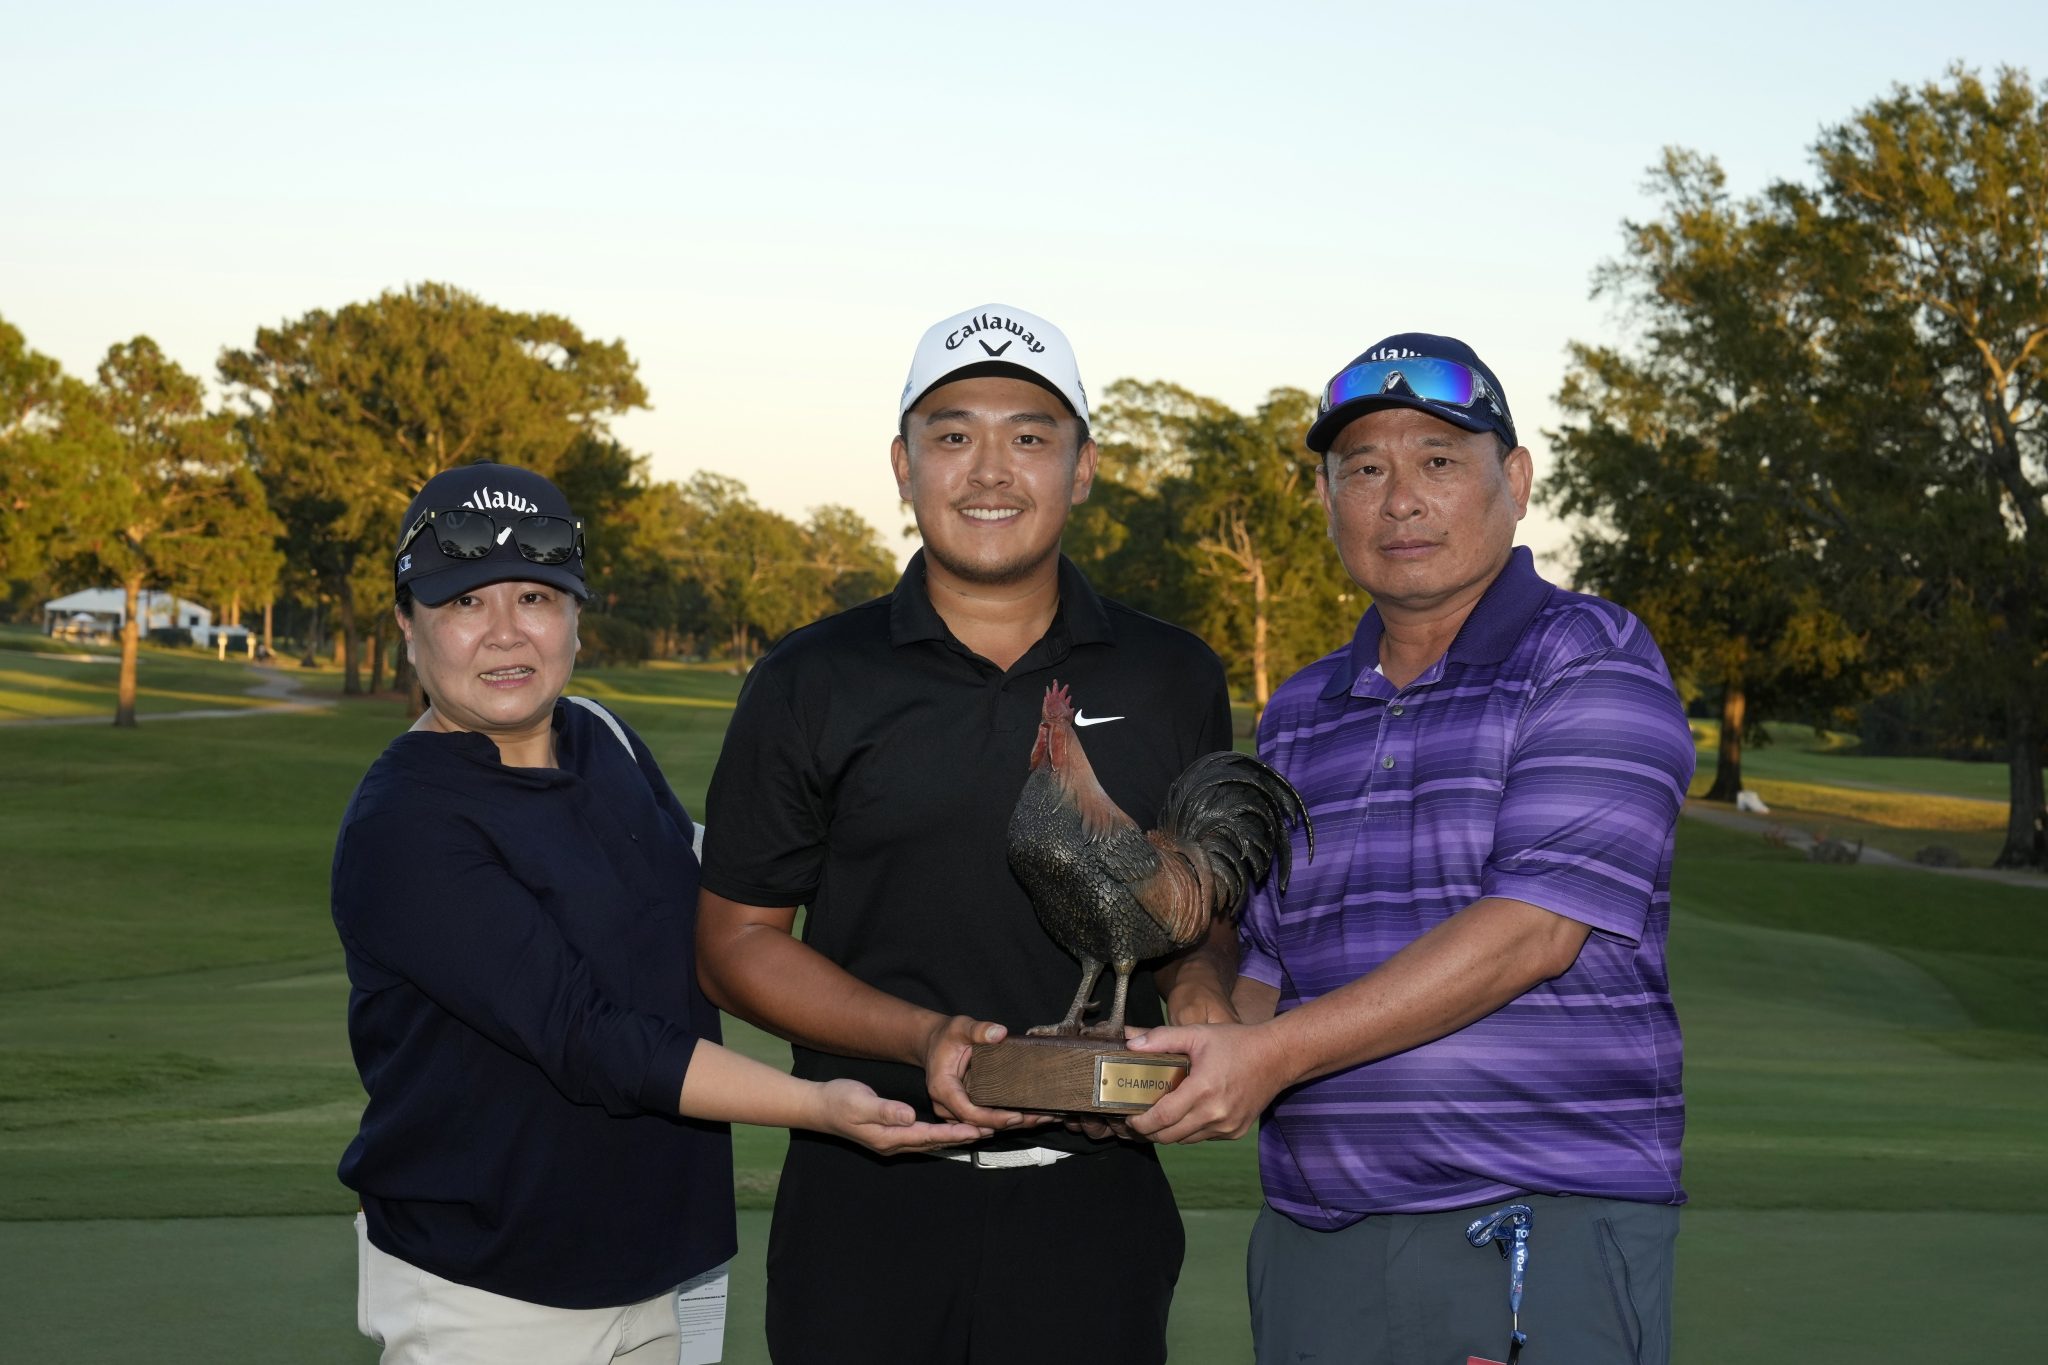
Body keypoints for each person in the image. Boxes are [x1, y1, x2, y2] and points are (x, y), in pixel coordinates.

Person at [1127, 334, 1694, 1365]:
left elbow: (1531, 933)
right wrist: (1195, 1030)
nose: (1399, 500)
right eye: (1364, 469)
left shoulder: (1589, 657)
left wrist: (1265, 1058)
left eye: (1438, 460)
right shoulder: (1298, 713)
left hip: (1534, 1220)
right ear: (1326, 497)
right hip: (1314, 1237)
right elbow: (1259, 961)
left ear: (1512, 481)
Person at [333, 461, 977, 1365]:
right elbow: (589, 1037)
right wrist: (816, 1106)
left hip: (665, 1261)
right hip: (493, 1287)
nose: (507, 633)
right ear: (407, 623)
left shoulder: (602, 736)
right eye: (465, 604)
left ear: (576, 612)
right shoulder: (405, 824)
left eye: (535, 596)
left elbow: (717, 885)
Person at [695, 304, 1235, 1365]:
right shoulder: (810, 678)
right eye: (952, 435)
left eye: (1029, 436)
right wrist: (923, 1039)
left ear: (1081, 468)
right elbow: (734, 943)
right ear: (902, 465)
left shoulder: (1171, 673)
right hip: (865, 1204)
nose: (990, 468)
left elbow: (1198, 911)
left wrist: (1206, 993)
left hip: (1098, 1211)